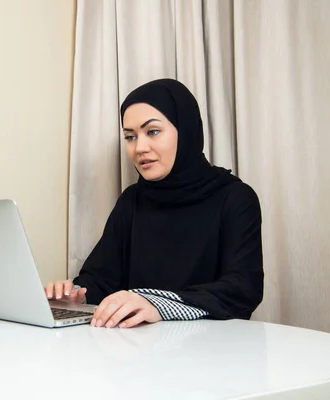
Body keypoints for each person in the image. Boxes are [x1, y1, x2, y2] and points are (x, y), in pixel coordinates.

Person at [45, 78, 264, 328]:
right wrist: (75, 294)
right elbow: (102, 278)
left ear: (186, 130)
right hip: (139, 348)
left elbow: (242, 288)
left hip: (210, 352)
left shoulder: (234, 198)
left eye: (153, 132)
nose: (140, 147)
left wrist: (156, 304)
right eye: (130, 136)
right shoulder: (132, 200)